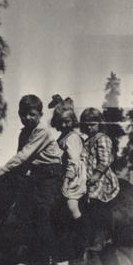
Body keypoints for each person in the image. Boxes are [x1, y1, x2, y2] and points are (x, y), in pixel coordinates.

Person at [0, 95, 62, 265]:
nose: (27, 118)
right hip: (33, 174)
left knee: (43, 212)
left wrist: (1, 171)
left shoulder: (41, 131)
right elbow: (22, 162)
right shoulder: (24, 132)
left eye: (32, 114)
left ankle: (51, 263)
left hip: (49, 174)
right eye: (23, 114)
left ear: (41, 114)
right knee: (15, 209)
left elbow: (23, 155)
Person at [80, 107, 120, 251]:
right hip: (88, 177)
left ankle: (101, 237)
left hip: (102, 179)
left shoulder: (102, 139)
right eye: (86, 124)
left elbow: (104, 160)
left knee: (94, 202)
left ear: (99, 124)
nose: (89, 127)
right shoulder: (86, 140)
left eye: (92, 124)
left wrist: (96, 175)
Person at [50, 100, 87, 247]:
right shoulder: (62, 137)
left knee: (71, 204)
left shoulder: (72, 138)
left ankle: (84, 235)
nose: (64, 125)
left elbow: (73, 161)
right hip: (63, 174)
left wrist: (66, 182)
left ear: (73, 121)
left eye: (67, 121)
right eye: (61, 122)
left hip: (73, 176)